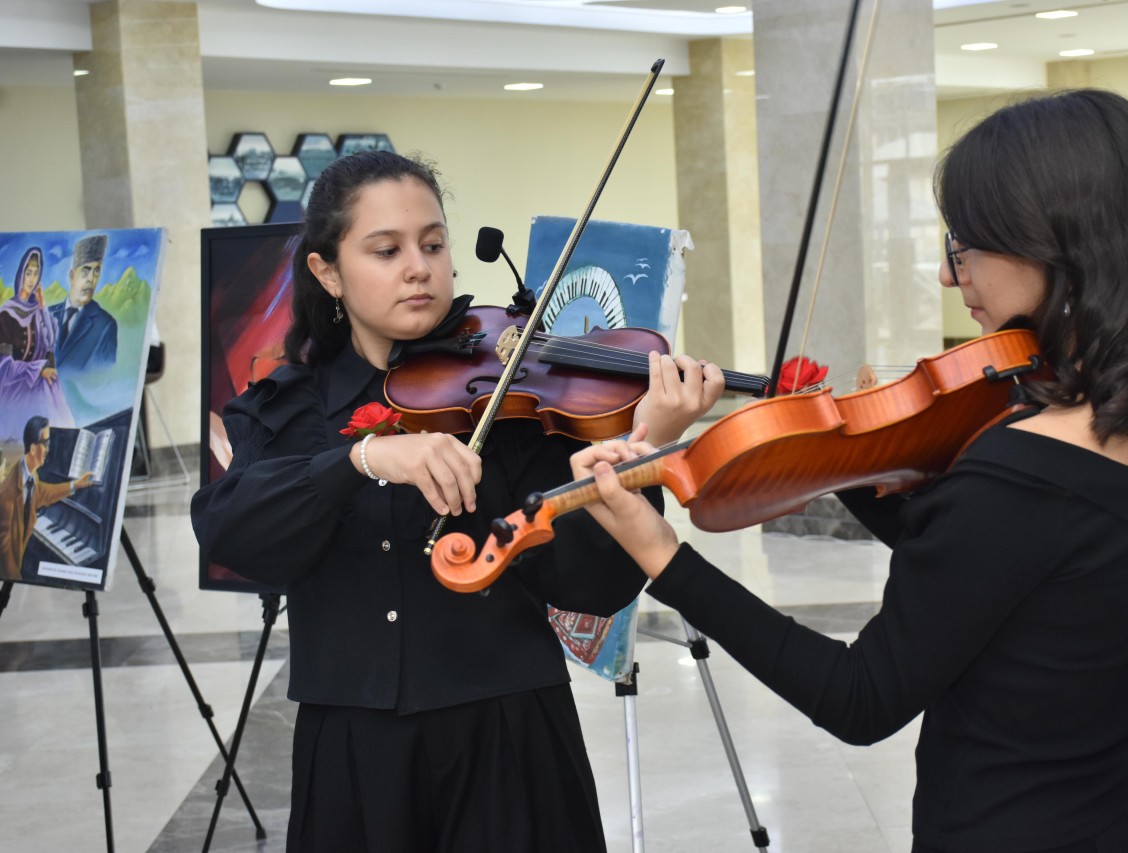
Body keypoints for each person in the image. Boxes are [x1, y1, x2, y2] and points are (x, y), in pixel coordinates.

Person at [574, 89, 1128, 853]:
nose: (953, 278)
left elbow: (861, 698)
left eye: (966, 244)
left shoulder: (1019, 472)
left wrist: (662, 553)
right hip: (1116, 818)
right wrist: (852, 450)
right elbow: (992, 576)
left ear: (1052, 241)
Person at [190, 149, 724, 852]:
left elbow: (594, 585)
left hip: (511, 741)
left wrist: (649, 448)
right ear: (327, 272)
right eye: (386, 250)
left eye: (434, 244)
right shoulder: (283, 412)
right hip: (355, 749)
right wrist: (363, 457)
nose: (419, 266)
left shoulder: (515, 400)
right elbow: (231, 530)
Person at [0, 416, 95, 580]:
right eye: (46, 443)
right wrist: (15, 577)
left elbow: (42, 492)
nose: (49, 449)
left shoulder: (30, 474)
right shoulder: (8, 491)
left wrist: (75, 485)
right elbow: (3, 545)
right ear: (33, 448)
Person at [0, 247, 74, 444]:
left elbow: (49, 345)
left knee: (54, 439)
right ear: (20, 274)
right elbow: (4, 368)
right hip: (14, 393)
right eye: (28, 273)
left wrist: (42, 307)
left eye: (35, 273)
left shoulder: (37, 311)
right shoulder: (6, 315)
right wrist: (39, 369)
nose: (31, 279)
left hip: (42, 389)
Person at [49, 234, 118, 373]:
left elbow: (104, 379)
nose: (91, 279)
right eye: (86, 271)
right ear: (72, 276)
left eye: (96, 271)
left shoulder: (105, 325)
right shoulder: (46, 315)